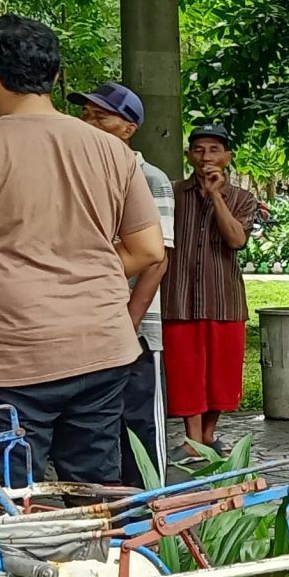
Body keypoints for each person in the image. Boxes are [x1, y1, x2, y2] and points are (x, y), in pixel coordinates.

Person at [0, 15, 163, 487]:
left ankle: (14, 563)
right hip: (102, 347)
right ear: (53, 77)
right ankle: (100, 559)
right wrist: (82, 275)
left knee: (5, 496)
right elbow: (148, 249)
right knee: (96, 489)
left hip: (11, 352)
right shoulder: (111, 150)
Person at [73, 82, 174, 468]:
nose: (89, 123)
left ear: (128, 129)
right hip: (88, 326)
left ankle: (152, 510)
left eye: (101, 117)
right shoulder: (80, 176)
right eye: (86, 115)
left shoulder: (150, 178)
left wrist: (128, 323)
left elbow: (157, 258)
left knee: (141, 427)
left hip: (136, 331)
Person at [164, 124, 265, 454]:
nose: (206, 157)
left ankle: (208, 435)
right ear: (188, 155)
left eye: (214, 150)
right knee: (185, 371)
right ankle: (192, 438)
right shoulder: (173, 193)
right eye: (199, 149)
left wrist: (217, 197)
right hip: (178, 297)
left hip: (224, 299)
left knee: (221, 374)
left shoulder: (242, 198)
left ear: (228, 157)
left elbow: (236, 240)